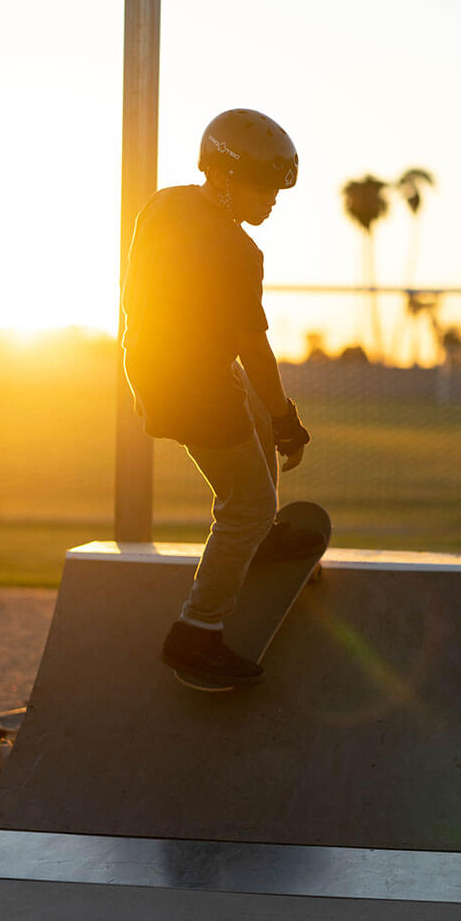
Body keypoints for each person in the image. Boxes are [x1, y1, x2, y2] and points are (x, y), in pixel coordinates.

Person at [121, 108, 310, 685]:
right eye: (262, 186)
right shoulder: (238, 251)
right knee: (244, 503)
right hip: (194, 387)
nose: (272, 200)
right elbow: (256, 352)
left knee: (250, 420)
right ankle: (196, 635)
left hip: (153, 366)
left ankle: (259, 537)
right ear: (225, 177)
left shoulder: (165, 203)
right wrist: (287, 420)